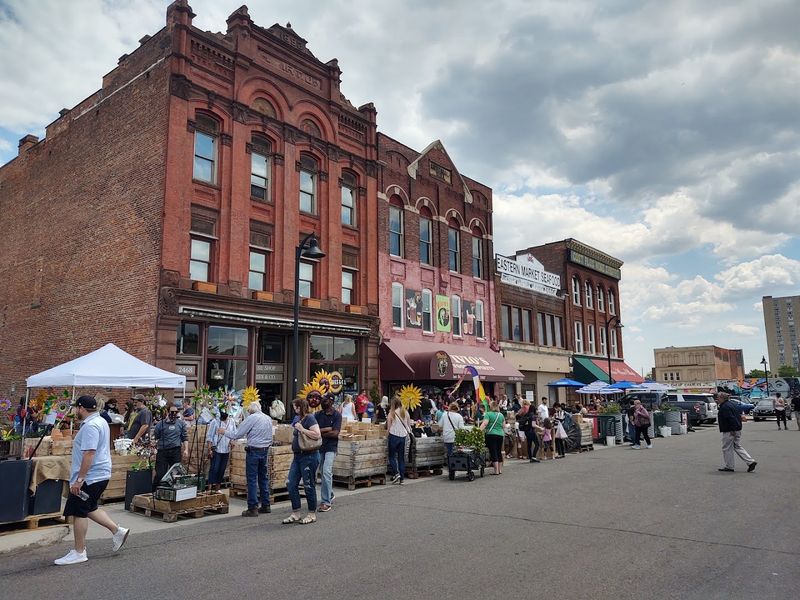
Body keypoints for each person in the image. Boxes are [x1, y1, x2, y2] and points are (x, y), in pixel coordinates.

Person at [55, 396, 129, 565]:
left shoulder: (91, 426)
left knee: (79, 511)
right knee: (90, 507)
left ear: (81, 408)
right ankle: (117, 531)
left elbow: (89, 453)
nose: (74, 411)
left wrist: (80, 480)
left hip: (90, 477)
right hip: (98, 475)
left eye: (76, 408)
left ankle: (79, 552)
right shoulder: (100, 421)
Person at [224, 401, 273, 516]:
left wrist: (224, 432)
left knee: (251, 479)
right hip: (265, 450)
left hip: (254, 450)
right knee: (263, 478)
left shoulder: (252, 418)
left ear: (250, 410)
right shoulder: (267, 418)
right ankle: (266, 504)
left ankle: (253, 507)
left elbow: (237, 434)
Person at [282, 398, 321, 525]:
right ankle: (296, 512)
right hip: (298, 456)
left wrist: (302, 429)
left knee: (308, 485)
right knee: (291, 483)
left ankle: (311, 513)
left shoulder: (310, 418)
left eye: (295, 407)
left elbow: (317, 434)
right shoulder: (298, 419)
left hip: (309, 456)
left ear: (300, 407)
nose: (294, 409)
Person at [716, 392, 757, 473]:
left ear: (722, 398)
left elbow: (730, 418)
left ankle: (729, 466)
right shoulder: (732, 404)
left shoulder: (725, 407)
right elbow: (737, 416)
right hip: (737, 428)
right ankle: (750, 461)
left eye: (718, 398)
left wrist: (732, 430)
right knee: (737, 446)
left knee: (727, 448)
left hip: (730, 430)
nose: (717, 399)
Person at [151, 405, 189, 490]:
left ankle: (173, 491)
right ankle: (155, 491)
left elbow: (185, 437)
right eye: (172, 412)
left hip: (175, 450)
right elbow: (155, 437)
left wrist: (186, 449)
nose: (174, 414)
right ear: (168, 412)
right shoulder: (160, 424)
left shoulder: (181, 423)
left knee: (175, 473)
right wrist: (153, 448)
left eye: (176, 412)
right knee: (160, 473)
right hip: (163, 451)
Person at [316, 395, 341, 512]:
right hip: (320, 446)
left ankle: (326, 502)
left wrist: (321, 432)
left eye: (325, 400)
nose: (322, 402)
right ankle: (330, 493)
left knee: (326, 471)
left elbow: (335, 433)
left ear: (331, 402)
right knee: (322, 471)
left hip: (331, 447)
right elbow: (314, 430)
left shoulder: (337, 415)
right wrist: (327, 429)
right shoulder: (318, 414)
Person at [206, 409, 235, 492]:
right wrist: (209, 449)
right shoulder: (215, 422)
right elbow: (209, 436)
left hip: (226, 449)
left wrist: (232, 441)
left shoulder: (232, 422)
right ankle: (210, 488)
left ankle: (217, 488)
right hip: (217, 449)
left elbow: (234, 433)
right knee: (214, 469)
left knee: (222, 469)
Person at [386, 397, 412, 484]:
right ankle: (402, 479)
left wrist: (386, 436)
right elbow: (409, 426)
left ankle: (396, 473)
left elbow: (389, 428)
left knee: (392, 456)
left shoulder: (391, 413)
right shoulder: (405, 412)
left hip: (393, 436)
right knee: (401, 458)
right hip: (403, 437)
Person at [480, 401, 506, 475]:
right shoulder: (501, 415)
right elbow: (504, 426)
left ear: (491, 407)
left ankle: (496, 471)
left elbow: (484, 424)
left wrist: (478, 431)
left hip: (491, 435)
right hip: (500, 435)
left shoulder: (488, 414)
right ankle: (500, 470)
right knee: (498, 451)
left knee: (493, 451)